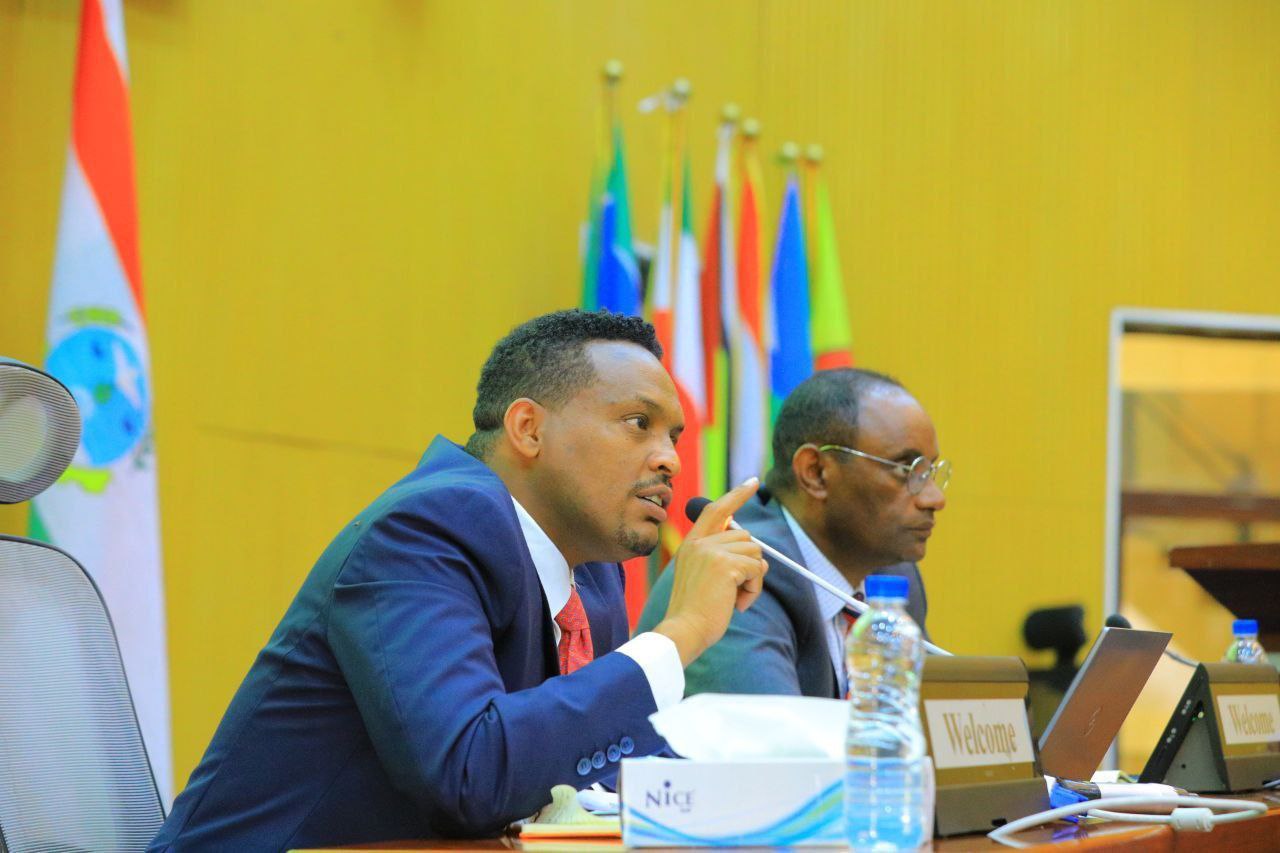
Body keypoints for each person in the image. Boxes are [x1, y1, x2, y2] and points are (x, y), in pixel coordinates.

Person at [150, 310, 767, 851]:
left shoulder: (594, 574)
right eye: (638, 423)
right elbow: (470, 774)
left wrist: (769, 797)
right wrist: (682, 630)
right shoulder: (427, 528)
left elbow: (605, 768)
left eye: (674, 436)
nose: (670, 458)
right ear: (528, 428)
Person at [637, 368, 947, 699]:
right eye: (905, 469)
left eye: (929, 472)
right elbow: (772, 730)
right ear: (815, 472)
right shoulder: (740, 571)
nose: (935, 499)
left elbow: (929, 716)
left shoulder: (891, 577)